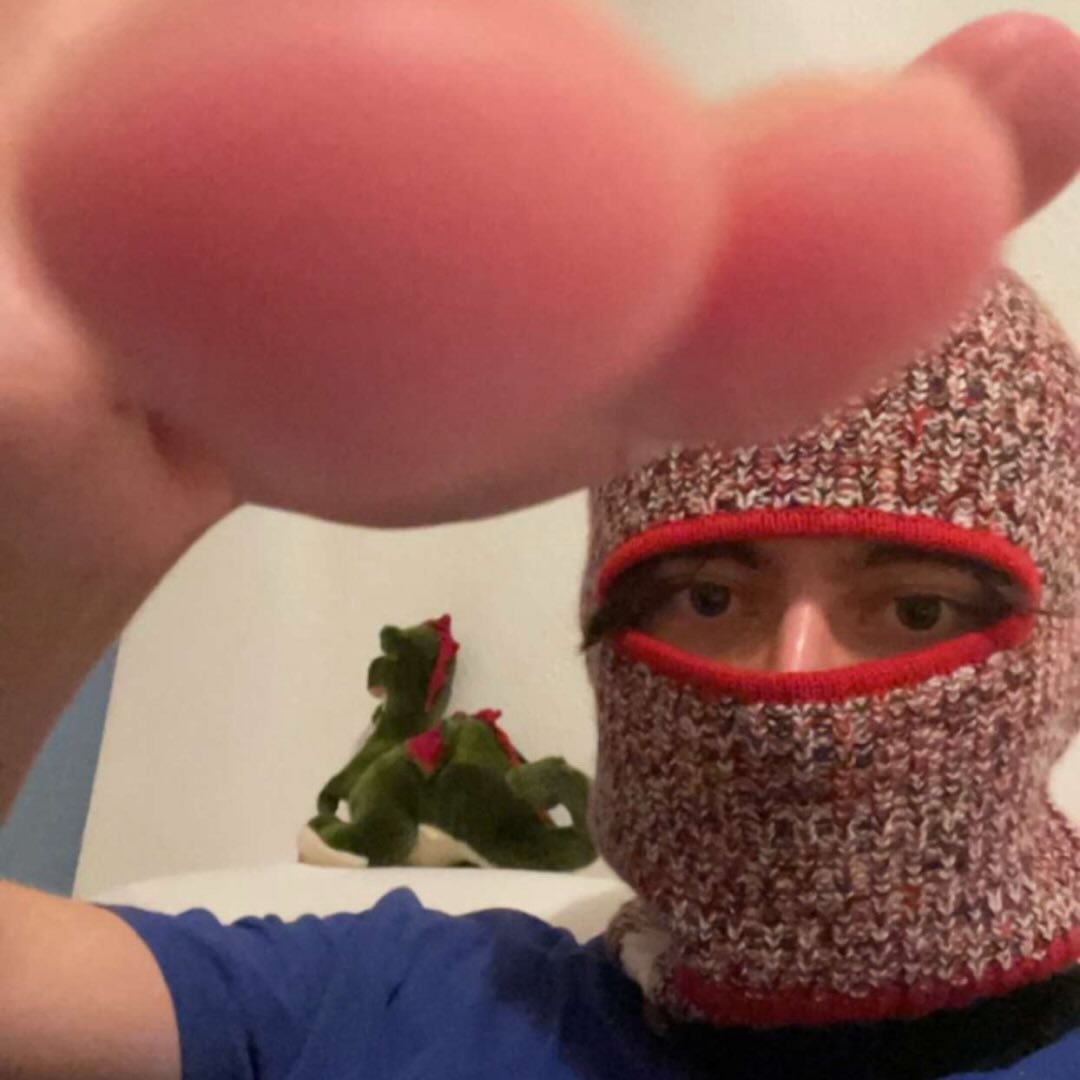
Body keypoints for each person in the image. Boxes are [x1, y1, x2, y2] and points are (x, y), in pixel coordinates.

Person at [2, 3, 1080, 1078]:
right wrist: (50, 514)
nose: (793, 690)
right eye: (709, 596)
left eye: (917, 607)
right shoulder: (394, 1005)